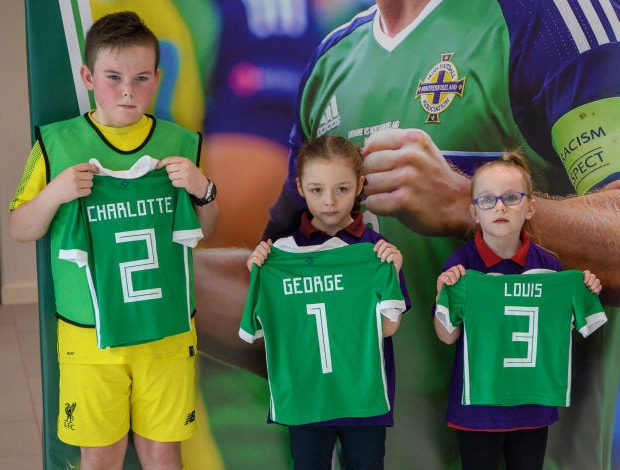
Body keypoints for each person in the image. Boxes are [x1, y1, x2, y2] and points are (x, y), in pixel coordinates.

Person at [191, 1, 620, 467]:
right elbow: (286, 303)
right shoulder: (334, 56)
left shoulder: (552, 18)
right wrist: (151, 265)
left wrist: (466, 203)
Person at [9, 11, 218, 470]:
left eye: (142, 77)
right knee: (100, 456)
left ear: (158, 77)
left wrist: (204, 190)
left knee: (163, 454)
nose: (128, 90)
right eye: (114, 77)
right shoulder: (56, 144)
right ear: (88, 76)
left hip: (165, 330)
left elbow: (208, 228)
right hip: (91, 337)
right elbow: (20, 228)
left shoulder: (181, 144)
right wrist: (54, 194)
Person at [243, 135, 411, 470]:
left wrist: (393, 271)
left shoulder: (375, 251)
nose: (330, 202)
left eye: (342, 189)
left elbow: (389, 328)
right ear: (300, 187)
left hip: (362, 396)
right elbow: (262, 333)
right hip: (307, 397)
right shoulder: (281, 254)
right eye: (317, 190)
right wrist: (259, 275)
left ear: (360, 186)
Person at [433, 152, 604, 470]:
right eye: (488, 199)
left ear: (530, 207)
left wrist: (584, 293)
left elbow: (556, 332)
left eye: (512, 198)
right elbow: (446, 337)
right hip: (477, 408)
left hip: (531, 406)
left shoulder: (549, 266)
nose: (500, 206)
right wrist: (444, 293)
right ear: (474, 211)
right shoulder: (461, 266)